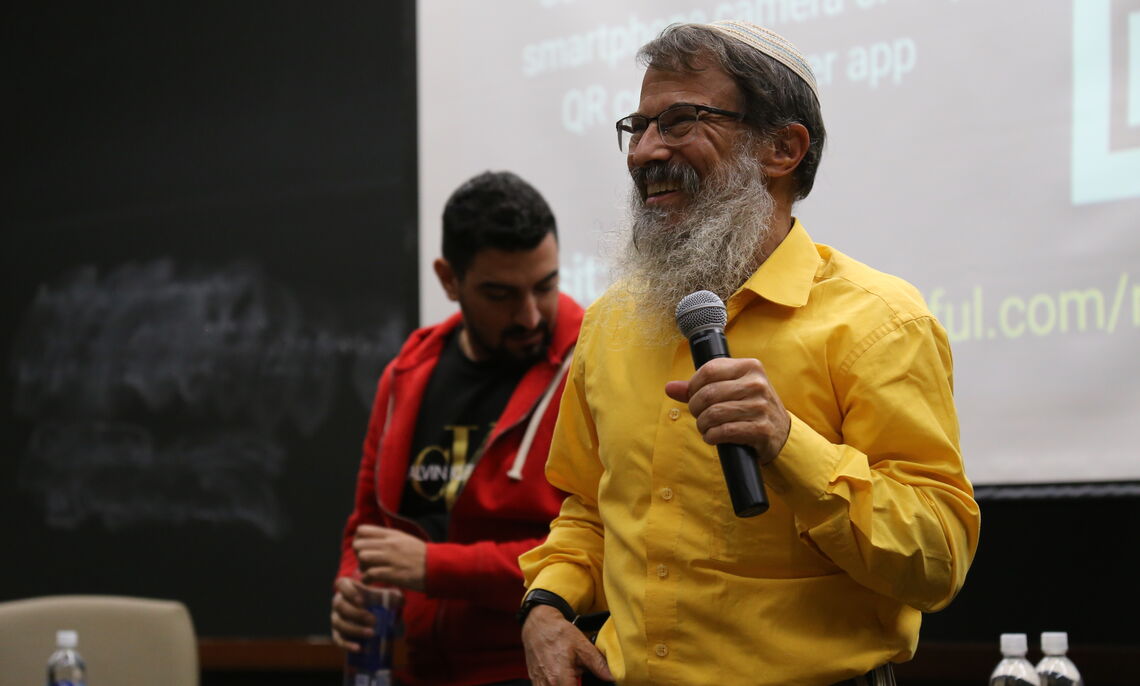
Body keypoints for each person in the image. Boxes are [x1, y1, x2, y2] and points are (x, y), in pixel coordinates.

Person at [517, 21, 980, 686]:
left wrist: (789, 445)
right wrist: (546, 606)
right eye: (638, 125)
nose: (645, 152)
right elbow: (590, 511)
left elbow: (937, 560)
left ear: (783, 148)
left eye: (679, 121)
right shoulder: (611, 324)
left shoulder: (880, 322)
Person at [332, 170, 583, 686]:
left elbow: (594, 549)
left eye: (546, 286)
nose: (530, 316)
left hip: (535, 670)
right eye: (501, 294)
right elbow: (368, 527)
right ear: (449, 280)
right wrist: (353, 588)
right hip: (416, 668)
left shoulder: (593, 367)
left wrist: (433, 566)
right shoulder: (407, 373)